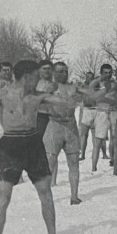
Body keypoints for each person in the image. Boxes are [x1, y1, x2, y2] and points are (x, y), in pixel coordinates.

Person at [0, 60, 78, 234]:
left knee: (45, 192)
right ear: (27, 76)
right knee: (4, 196)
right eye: (37, 75)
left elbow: (68, 103)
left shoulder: (37, 96)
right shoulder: (2, 94)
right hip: (10, 145)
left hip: (33, 144)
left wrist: (67, 90)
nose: (40, 78)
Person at [43, 62, 95, 204]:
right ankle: (46, 196)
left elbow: (91, 95)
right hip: (54, 125)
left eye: (66, 71)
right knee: (50, 162)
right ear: (54, 73)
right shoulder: (48, 87)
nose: (64, 74)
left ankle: (74, 196)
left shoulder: (73, 87)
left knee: (74, 163)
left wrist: (85, 90)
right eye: (60, 71)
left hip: (71, 126)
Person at [90, 64, 117, 172]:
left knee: (114, 138)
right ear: (101, 73)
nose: (108, 74)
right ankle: (94, 167)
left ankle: (113, 160)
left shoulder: (114, 83)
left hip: (114, 112)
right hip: (102, 112)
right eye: (105, 72)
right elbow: (93, 96)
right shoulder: (97, 84)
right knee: (98, 141)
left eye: (110, 72)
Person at [35, 60, 55, 139]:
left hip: (53, 118)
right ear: (39, 70)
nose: (47, 71)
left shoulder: (55, 85)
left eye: (49, 68)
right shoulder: (34, 84)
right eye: (44, 68)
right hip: (38, 117)